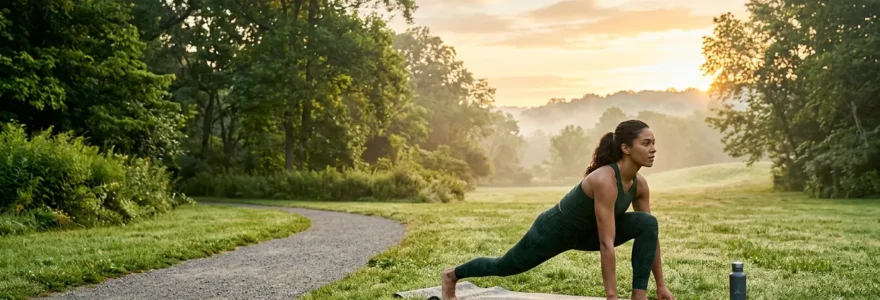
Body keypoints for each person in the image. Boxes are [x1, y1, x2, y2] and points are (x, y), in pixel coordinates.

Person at [440, 120, 674, 300]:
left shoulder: (639, 184)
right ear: (625, 148)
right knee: (506, 266)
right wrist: (611, 297)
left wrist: (661, 285)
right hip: (554, 230)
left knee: (648, 223)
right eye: (646, 143)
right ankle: (452, 275)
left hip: (586, 233)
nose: (653, 149)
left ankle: (639, 295)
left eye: (654, 143)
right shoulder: (605, 180)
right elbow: (607, 244)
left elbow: (650, 238)